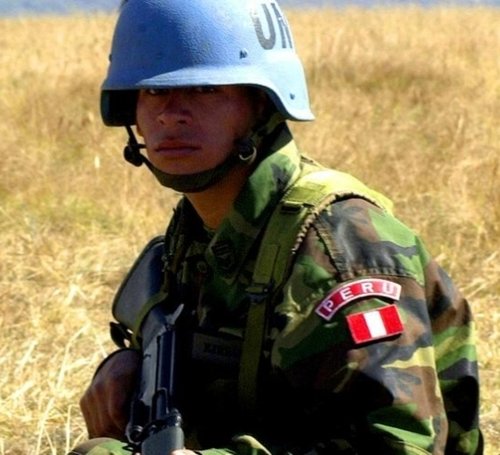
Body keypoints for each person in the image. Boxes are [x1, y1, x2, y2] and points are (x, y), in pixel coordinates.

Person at [70, 0, 483, 454]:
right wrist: (130, 361)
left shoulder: (341, 249)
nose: (170, 113)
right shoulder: (202, 229)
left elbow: (398, 447)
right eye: (152, 92)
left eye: (206, 90)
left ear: (261, 104)